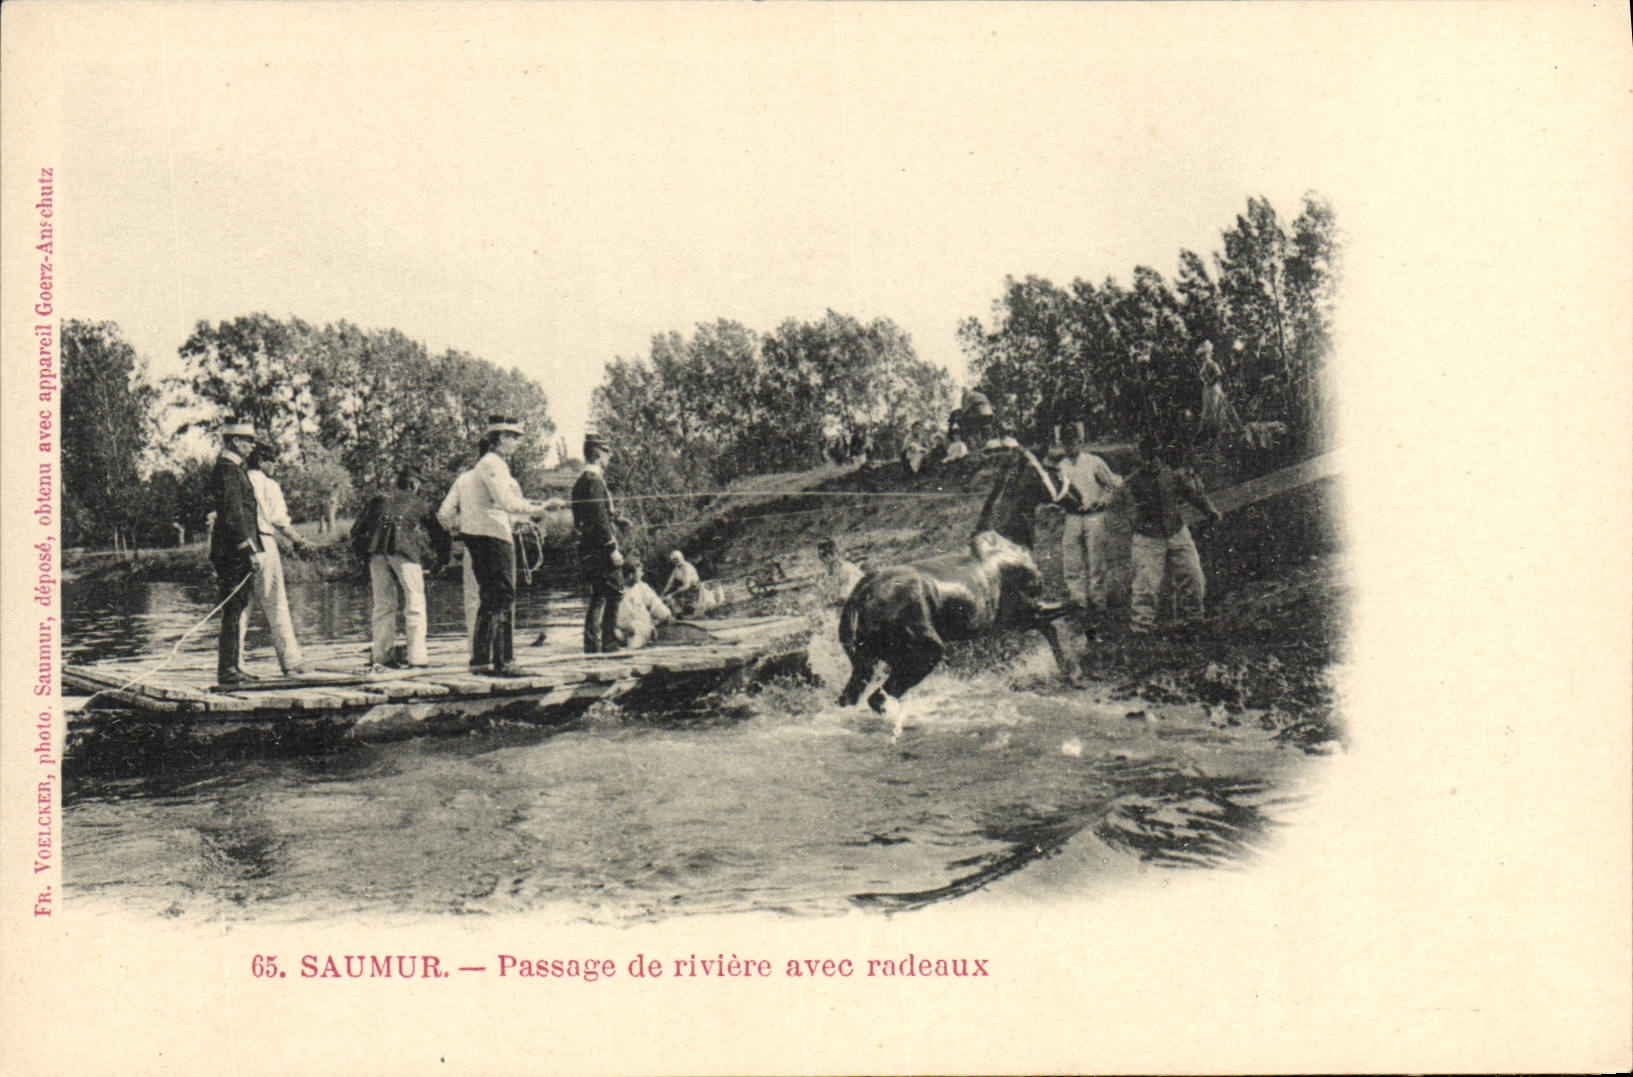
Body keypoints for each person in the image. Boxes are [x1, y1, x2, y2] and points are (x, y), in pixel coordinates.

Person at [460, 416, 552, 675]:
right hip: (493, 537)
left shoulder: (485, 465)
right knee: (504, 596)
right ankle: (505, 661)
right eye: (514, 437)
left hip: (480, 536)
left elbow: (502, 501)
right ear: (500, 437)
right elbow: (506, 502)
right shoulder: (493, 463)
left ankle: (480, 661)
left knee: (489, 598)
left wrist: (536, 508)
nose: (517, 443)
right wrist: (539, 510)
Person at [352, 463, 451, 671]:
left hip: (376, 553)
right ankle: (417, 658)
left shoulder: (378, 499)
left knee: (382, 605)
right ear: (414, 485)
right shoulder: (419, 503)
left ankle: (381, 656)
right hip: (404, 551)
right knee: (415, 603)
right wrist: (441, 561)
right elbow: (440, 534)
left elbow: (356, 531)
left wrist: (362, 559)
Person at [1125, 435, 1223, 635]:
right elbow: (1131, 512)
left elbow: (1194, 496)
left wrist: (1211, 511)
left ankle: (1194, 619)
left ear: (1160, 457)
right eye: (1146, 458)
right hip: (1148, 538)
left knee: (1193, 575)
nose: (1151, 462)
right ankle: (1141, 629)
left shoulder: (1172, 475)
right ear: (1140, 458)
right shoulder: (1132, 482)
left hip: (1176, 531)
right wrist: (1140, 521)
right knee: (1146, 585)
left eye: (1154, 457)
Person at [1051, 422, 1124, 640]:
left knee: (1096, 564)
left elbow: (1113, 484)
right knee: (1072, 564)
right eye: (1066, 442)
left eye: (1073, 441)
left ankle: (1099, 606)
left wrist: (1103, 501)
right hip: (1073, 518)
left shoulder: (1093, 462)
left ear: (1080, 442)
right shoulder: (1061, 466)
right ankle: (1079, 605)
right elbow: (1057, 494)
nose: (1069, 446)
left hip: (1094, 517)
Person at [243, 439, 309, 675]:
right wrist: (299, 540)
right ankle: (291, 662)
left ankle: (236, 663)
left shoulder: (238, 480)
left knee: (241, 605)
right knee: (276, 602)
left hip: (240, 545)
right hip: (263, 542)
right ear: (262, 461)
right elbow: (280, 521)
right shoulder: (268, 484)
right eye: (273, 462)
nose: (275, 468)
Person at [207, 419, 267, 685]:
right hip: (233, 550)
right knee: (233, 608)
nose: (252, 446)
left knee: (237, 606)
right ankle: (228, 670)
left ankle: (232, 667)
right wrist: (248, 548)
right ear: (234, 442)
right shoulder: (228, 468)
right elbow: (233, 513)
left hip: (234, 549)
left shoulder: (232, 468)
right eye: (247, 441)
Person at [571, 433, 626, 653]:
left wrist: (616, 518)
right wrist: (612, 547)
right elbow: (598, 518)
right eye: (606, 452)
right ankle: (609, 644)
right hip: (601, 549)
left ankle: (592, 646)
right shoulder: (594, 482)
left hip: (587, 547)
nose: (609, 457)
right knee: (615, 590)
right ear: (598, 453)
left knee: (598, 595)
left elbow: (590, 516)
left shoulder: (580, 483)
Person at [615, 559, 672, 649]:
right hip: (619, 630)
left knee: (634, 635)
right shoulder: (617, 589)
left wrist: (657, 622)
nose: (642, 574)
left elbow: (662, 611)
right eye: (639, 572)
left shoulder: (642, 588)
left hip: (638, 630)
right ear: (630, 575)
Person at [817, 538, 865, 607]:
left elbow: (846, 597)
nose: (826, 559)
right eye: (822, 557)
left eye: (830, 554)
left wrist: (833, 604)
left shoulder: (847, 569)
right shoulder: (829, 573)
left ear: (835, 553)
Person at [661, 550, 702, 616]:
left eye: (677, 559)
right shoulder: (676, 568)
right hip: (684, 588)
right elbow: (670, 583)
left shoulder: (686, 567)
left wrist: (672, 594)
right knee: (669, 596)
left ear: (682, 558)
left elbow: (687, 585)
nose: (676, 561)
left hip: (693, 588)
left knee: (674, 596)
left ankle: (684, 611)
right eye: (674, 560)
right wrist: (663, 594)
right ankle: (678, 612)